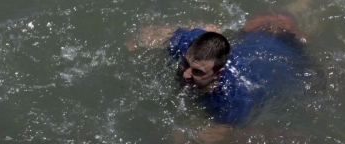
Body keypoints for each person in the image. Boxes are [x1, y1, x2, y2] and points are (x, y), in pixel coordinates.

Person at [130, 13, 309, 125]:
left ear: (218, 73)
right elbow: (150, 34)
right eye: (186, 64)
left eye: (198, 72)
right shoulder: (189, 45)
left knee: (291, 16)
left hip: (286, 52)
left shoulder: (231, 101)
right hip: (251, 36)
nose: (186, 74)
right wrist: (139, 42)